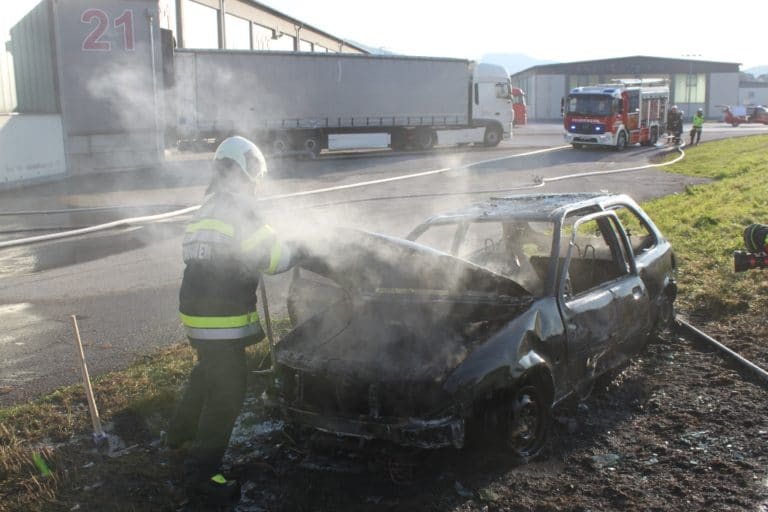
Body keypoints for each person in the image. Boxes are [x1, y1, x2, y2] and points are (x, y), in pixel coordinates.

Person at [168, 136, 300, 502]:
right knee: (227, 394)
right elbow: (274, 260)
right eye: (254, 172)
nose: (257, 180)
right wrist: (301, 248)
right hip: (221, 317)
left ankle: (178, 435)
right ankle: (201, 475)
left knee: (206, 373)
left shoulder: (208, 206)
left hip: (196, 314)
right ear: (244, 171)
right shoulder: (242, 208)